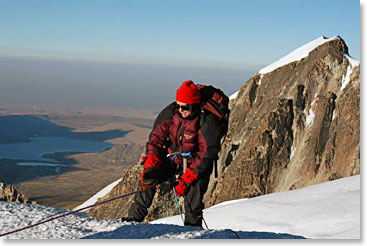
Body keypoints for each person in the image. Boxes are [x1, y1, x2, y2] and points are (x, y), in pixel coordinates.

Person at [123, 80, 222, 227]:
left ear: (194, 105)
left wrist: (187, 178)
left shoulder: (206, 121)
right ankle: (133, 220)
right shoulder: (170, 114)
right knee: (148, 179)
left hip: (195, 164)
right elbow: (155, 141)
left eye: (185, 107)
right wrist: (151, 165)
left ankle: (192, 230)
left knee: (193, 197)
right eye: (178, 105)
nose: (180, 110)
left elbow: (207, 154)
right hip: (173, 158)